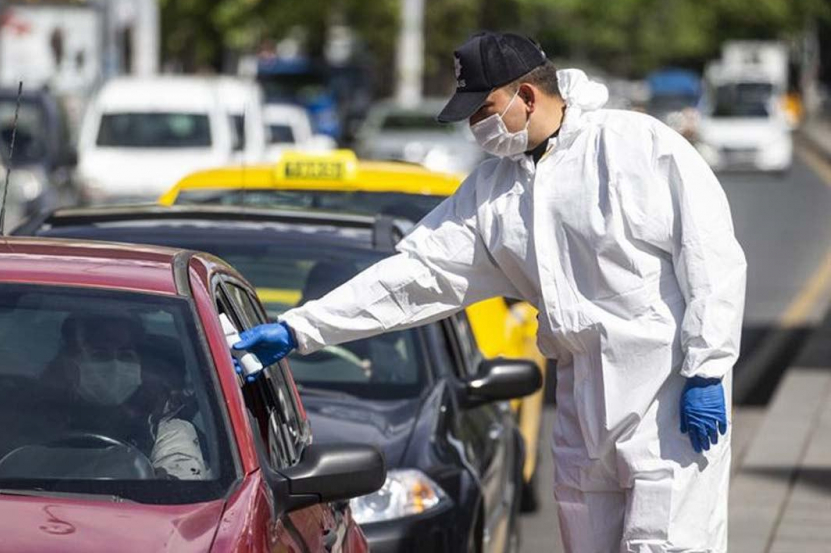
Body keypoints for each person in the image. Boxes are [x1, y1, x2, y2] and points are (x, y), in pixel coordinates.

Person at [234, 31, 745, 552]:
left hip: (667, 396)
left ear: (526, 96)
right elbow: (414, 277)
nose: (476, 126)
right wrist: (300, 328)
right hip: (580, 398)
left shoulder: (637, 148)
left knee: (668, 545)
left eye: (484, 109)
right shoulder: (494, 192)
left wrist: (706, 367)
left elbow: (712, 260)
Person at [43, 313, 210, 480]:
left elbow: (180, 489)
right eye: (100, 356)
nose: (115, 366)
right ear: (70, 364)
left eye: (125, 356)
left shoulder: (164, 426)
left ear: (139, 365)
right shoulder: (38, 414)